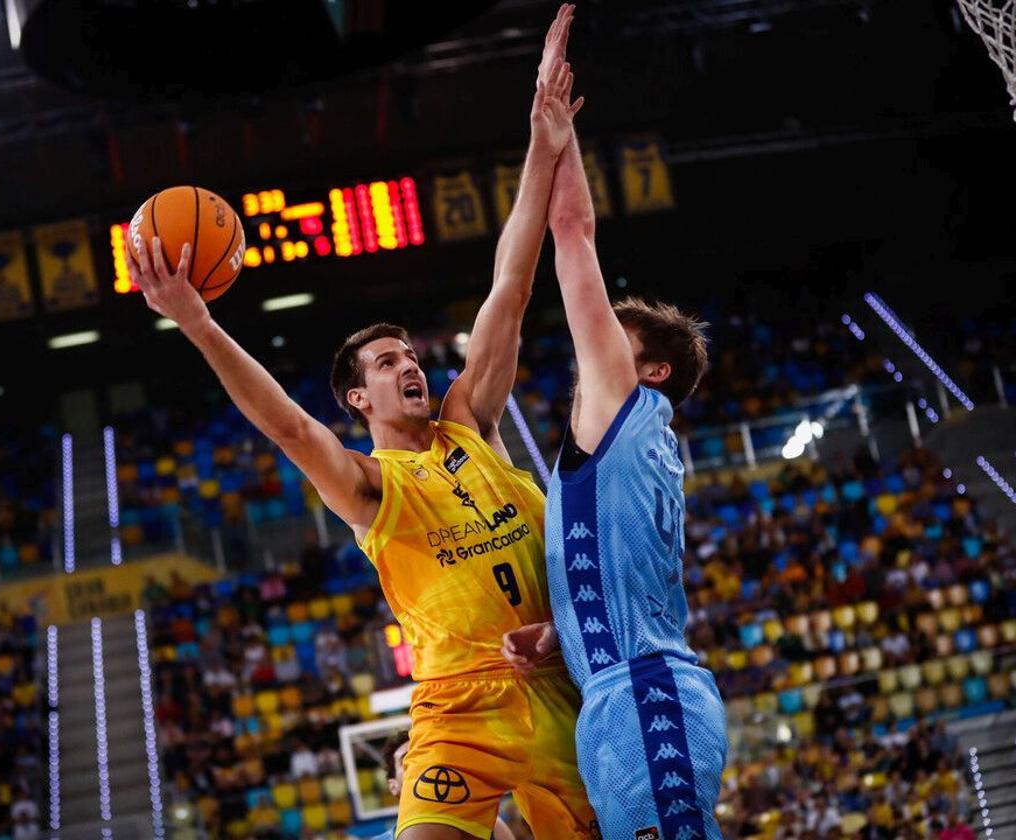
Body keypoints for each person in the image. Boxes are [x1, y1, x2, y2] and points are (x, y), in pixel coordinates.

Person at [128, 8, 595, 838]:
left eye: (410, 354)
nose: (409, 365)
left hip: (567, 699)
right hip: (459, 711)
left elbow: (511, 283)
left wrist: (543, 140)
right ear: (357, 398)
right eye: (387, 363)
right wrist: (198, 323)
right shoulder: (374, 485)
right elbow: (291, 433)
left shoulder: (469, 423)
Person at [500, 86, 727, 838]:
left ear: (651, 371)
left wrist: (557, 133)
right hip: (624, 691)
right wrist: (564, 633)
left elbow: (572, 230)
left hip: (644, 699)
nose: (590, 338)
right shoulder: (635, 439)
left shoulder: (624, 410)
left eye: (613, 333)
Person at [372, 730, 515, 840]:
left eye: (424, 755)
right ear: (393, 786)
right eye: (407, 760)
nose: (419, 765)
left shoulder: (491, 826)